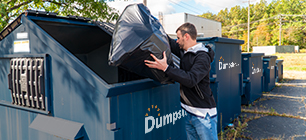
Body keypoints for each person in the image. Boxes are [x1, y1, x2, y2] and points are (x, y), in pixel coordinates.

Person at [144, 22, 218, 140]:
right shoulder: (185, 51)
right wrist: (152, 25)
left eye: (178, 38)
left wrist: (166, 68)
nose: (176, 41)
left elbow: (191, 79)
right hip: (189, 111)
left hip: (203, 115)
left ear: (186, 36)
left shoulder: (202, 57)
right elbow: (168, 42)